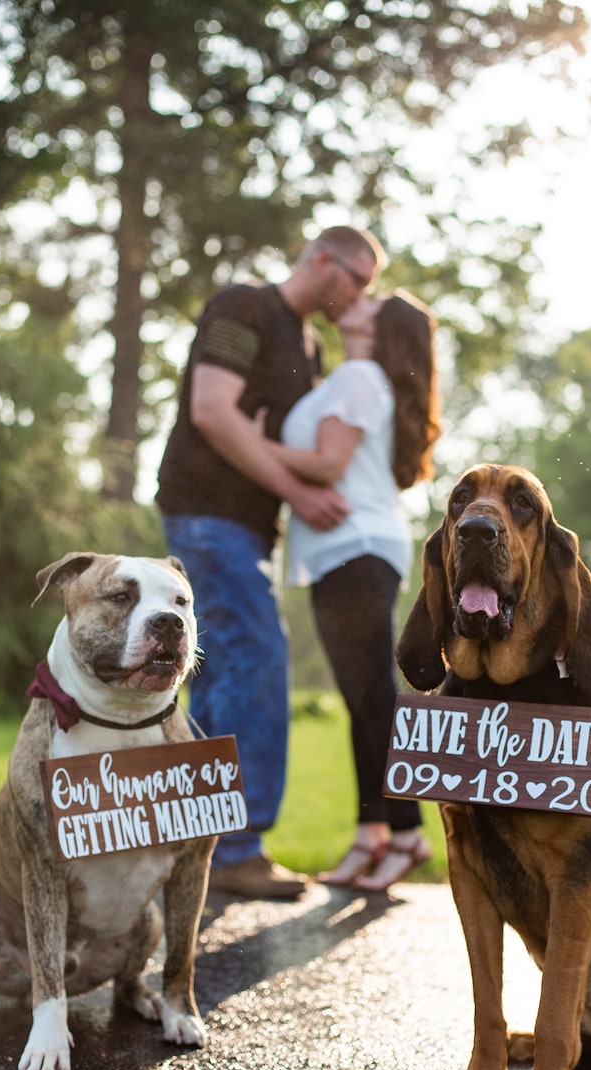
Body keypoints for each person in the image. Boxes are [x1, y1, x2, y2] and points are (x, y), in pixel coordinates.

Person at [156, 226, 385, 899]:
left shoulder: (310, 345)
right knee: (256, 657)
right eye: (357, 280)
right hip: (207, 515)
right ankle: (235, 846)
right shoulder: (245, 306)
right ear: (323, 262)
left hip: (249, 530)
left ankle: (192, 843)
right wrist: (297, 494)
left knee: (220, 676)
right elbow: (211, 410)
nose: (360, 296)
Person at [255, 288, 441, 891]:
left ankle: (406, 834)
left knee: (373, 699)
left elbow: (328, 465)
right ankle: (375, 834)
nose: (355, 300)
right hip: (350, 550)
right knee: (363, 699)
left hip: (356, 548)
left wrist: (249, 441)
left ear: (380, 327)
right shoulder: (354, 376)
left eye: (371, 300)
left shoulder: (360, 375)